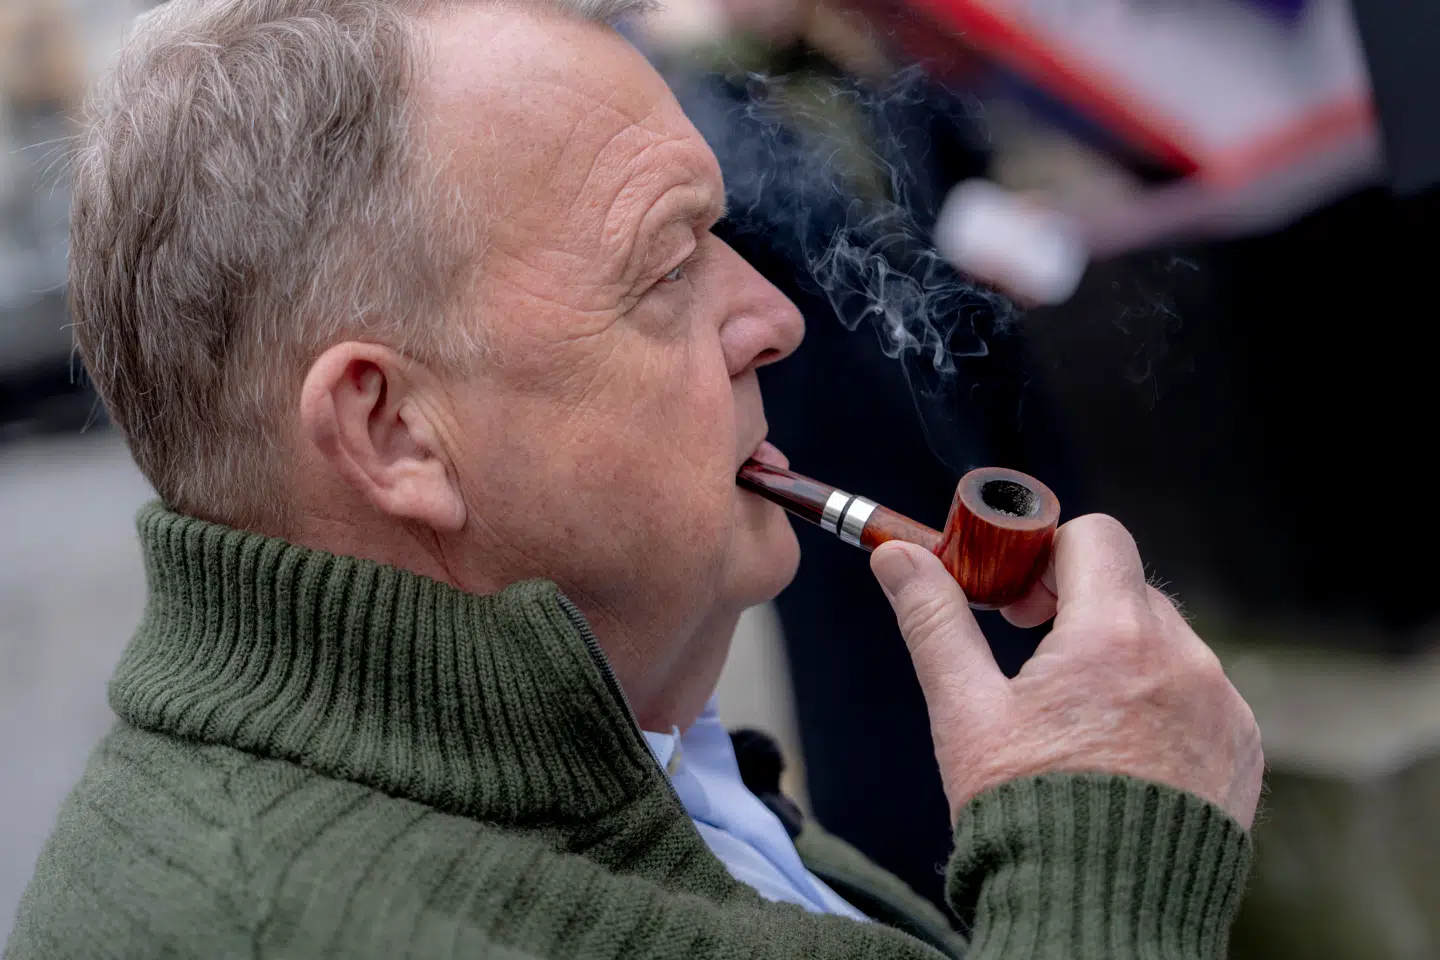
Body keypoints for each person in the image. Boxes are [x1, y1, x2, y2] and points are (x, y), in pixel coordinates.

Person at [6, 1, 1263, 958]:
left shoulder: (598, 735)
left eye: (723, 235)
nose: (774, 318)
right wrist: (1106, 866)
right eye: (667, 270)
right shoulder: (300, 924)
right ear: (392, 433)